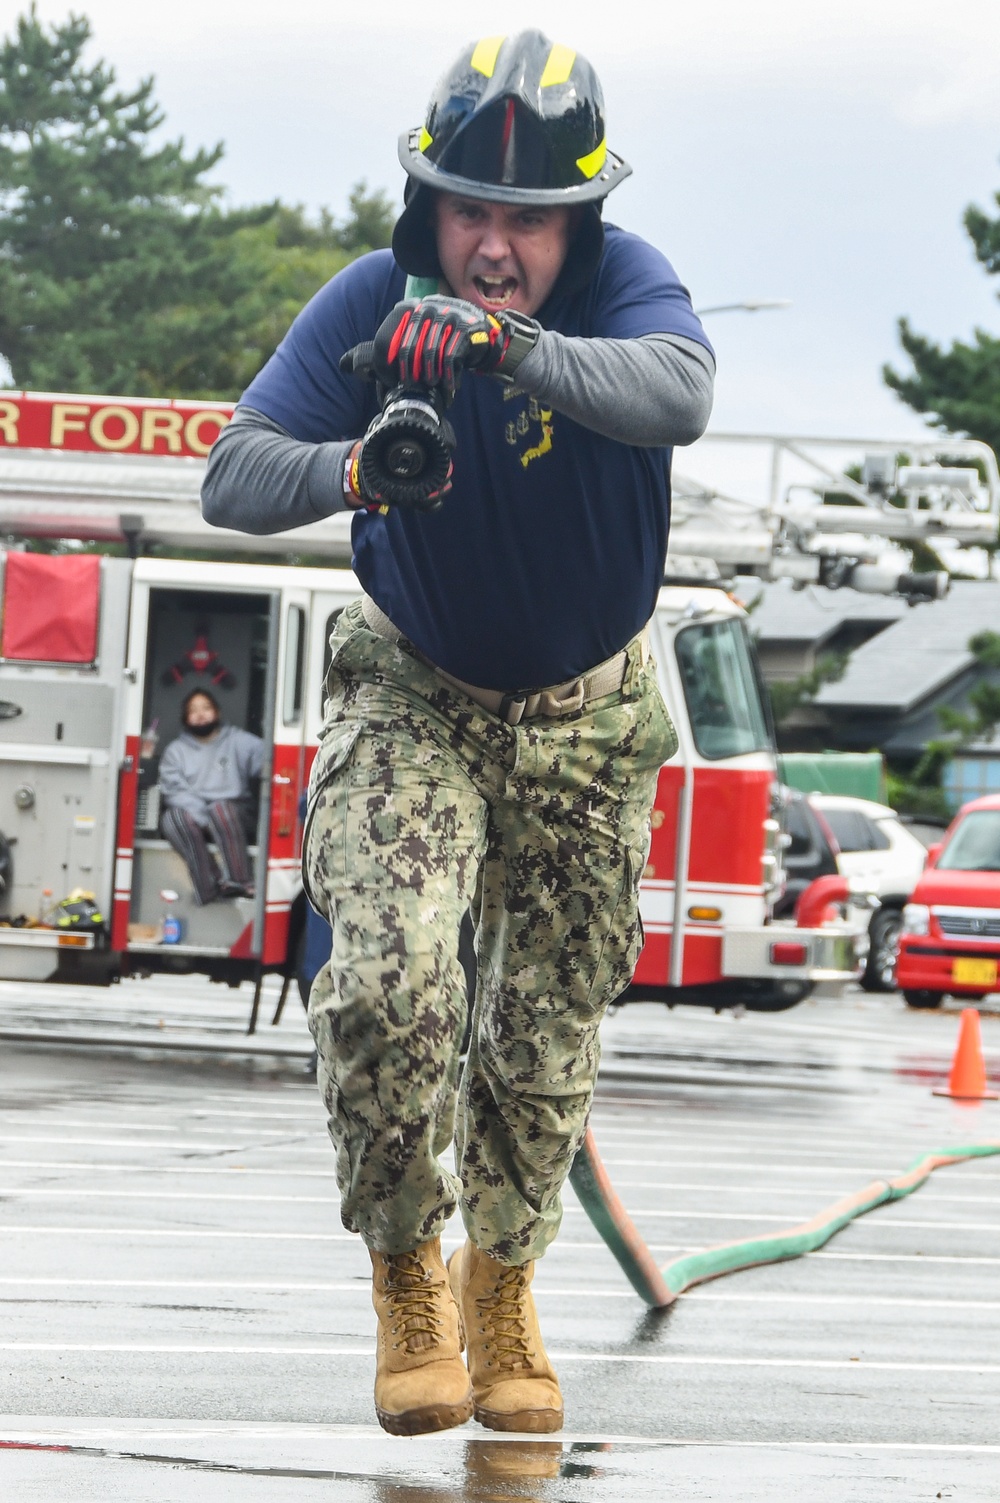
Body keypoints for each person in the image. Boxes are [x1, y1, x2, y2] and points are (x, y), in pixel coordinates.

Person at [202, 30, 713, 1436]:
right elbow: (231, 476)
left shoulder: (626, 289)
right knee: (389, 984)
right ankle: (406, 1271)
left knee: (544, 1040)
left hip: (588, 718)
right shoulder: (374, 299)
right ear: (427, 206)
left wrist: (515, 351)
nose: (495, 248)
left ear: (579, 226)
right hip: (415, 691)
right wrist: (355, 463)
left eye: (530, 222)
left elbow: (681, 391)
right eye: (470, 213)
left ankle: (506, 1281)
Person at [158, 689, 263, 905]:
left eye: (206, 708)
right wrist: (204, 819)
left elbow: (271, 761)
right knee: (171, 818)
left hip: (236, 815)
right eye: (193, 710)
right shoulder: (175, 751)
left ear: (217, 712)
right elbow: (173, 791)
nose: (200, 714)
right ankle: (209, 885)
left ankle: (241, 881)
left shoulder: (239, 741)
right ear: (185, 718)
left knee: (220, 809)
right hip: (197, 820)